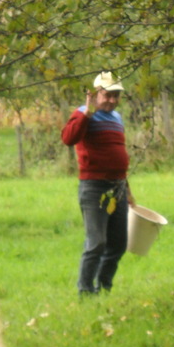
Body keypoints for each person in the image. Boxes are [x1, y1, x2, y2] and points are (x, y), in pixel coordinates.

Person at [61, 71, 135, 296]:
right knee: (97, 243)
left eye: (116, 95)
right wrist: (86, 112)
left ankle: (104, 287)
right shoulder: (84, 114)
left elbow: (118, 157)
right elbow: (68, 138)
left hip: (118, 187)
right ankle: (85, 291)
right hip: (94, 188)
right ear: (95, 95)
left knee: (119, 243)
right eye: (107, 95)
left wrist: (128, 191)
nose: (112, 100)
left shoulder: (117, 118)